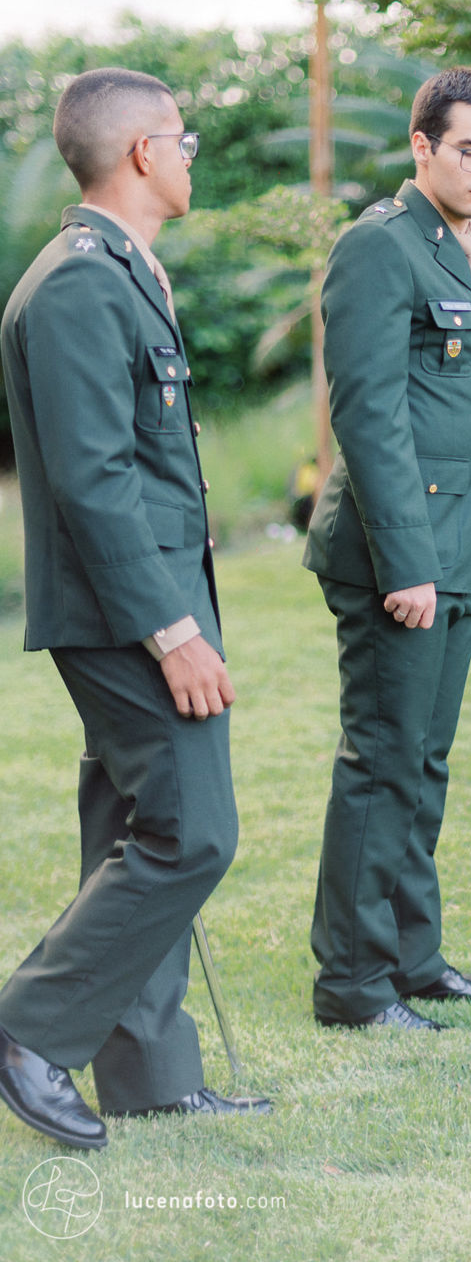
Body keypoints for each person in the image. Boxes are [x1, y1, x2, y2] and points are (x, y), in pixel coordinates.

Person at [0, 67, 270, 1154]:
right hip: (124, 613)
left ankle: (151, 1073)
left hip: (144, 597)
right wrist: (173, 630)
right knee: (194, 832)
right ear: (143, 152)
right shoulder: (76, 283)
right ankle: (24, 1031)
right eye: (187, 138)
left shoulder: (123, 269)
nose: (195, 155)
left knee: (133, 824)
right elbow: (93, 477)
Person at [304, 65, 471, 1030]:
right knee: (383, 760)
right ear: (422, 146)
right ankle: (352, 984)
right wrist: (412, 565)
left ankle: (413, 958)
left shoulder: (470, 247)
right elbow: (370, 414)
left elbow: (464, 416)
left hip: (452, 548)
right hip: (397, 557)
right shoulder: (380, 248)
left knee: (424, 762)